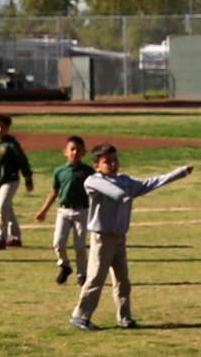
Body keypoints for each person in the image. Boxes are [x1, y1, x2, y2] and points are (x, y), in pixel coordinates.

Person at [68, 142, 194, 331]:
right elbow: (108, 189)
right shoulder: (93, 180)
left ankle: (124, 317)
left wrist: (180, 172)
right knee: (96, 279)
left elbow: (151, 183)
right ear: (97, 165)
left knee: (123, 280)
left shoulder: (125, 181)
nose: (112, 164)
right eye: (107, 161)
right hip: (102, 239)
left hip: (119, 238)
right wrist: (122, 196)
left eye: (115, 160)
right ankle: (80, 316)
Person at [36, 133, 92, 286]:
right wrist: (44, 210)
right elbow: (54, 192)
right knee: (58, 242)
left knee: (80, 245)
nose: (75, 153)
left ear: (83, 153)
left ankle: (83, 274)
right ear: (65, 152)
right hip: (64, 211)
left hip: (82, 211)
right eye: (72, 149)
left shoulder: (88, 171)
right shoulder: (59, 171)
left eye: (79, 150)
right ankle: (65, 265)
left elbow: (97, 192)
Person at [0, 113, 33, 249]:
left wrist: (28, 178)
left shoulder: (11, 144)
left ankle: (1, 237)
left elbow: (23, 161)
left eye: (2, 127)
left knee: (2, 207)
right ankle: (16, 237)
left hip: (10, 180)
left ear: (7, 129)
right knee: (7, 209)